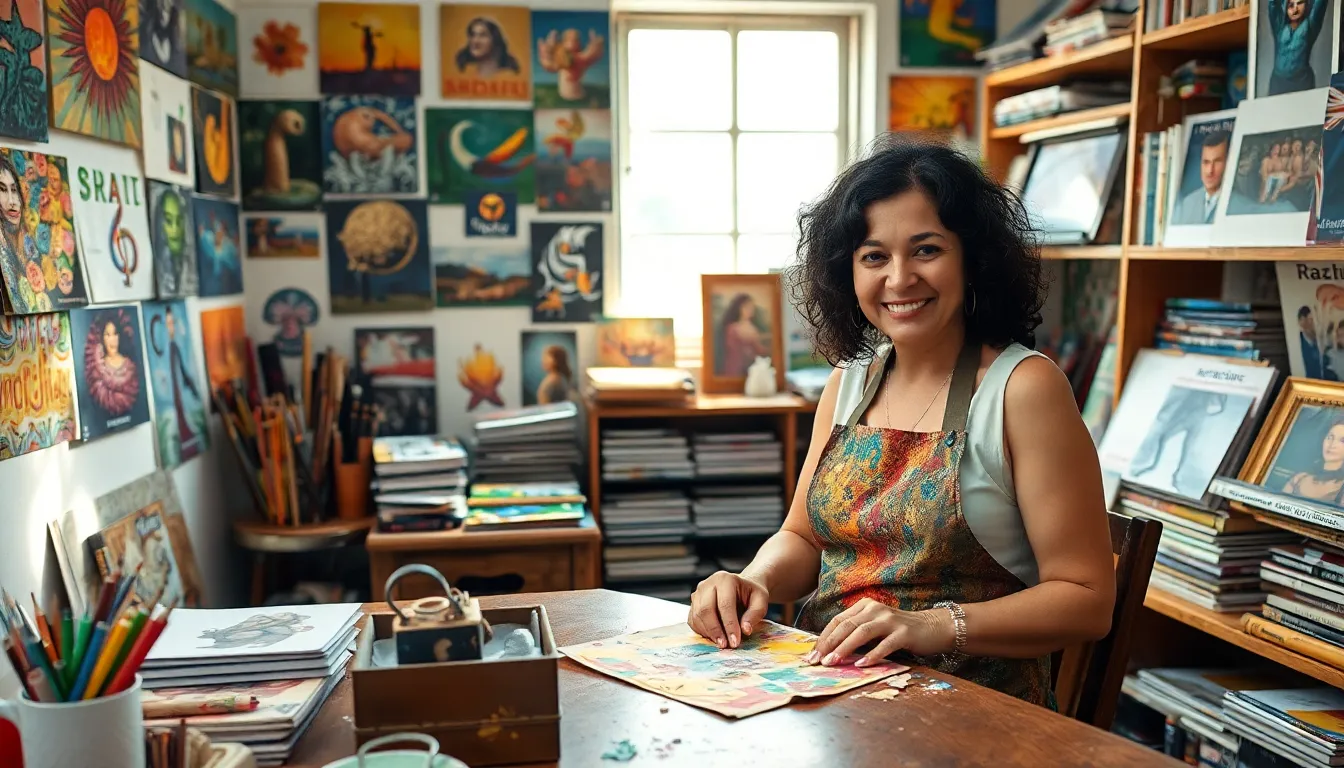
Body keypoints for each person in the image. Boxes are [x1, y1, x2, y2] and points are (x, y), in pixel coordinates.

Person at [687, 138, 1115, 707]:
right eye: (874, 257)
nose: (899, 279)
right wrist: (754, 580)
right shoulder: (848, 384)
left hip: (969, 709)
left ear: (973, 257)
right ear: (849, 273)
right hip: (828, 690)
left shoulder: (1023, 389)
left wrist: (934, 625)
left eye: (926, 250)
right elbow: (802, 537)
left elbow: (1087, 599)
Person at [85, 314, 141, 417]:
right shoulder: (98, 371)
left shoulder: (130, 367)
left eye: (115, 334)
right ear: (102, 338)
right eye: (108, 335)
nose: (112, 339)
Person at [1268, 0, 1328, 96]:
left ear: (1307, 4)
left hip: (1301, 81)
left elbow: (1320, 5)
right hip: (1278, 82)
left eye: (1299, 3)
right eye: (1291, 5)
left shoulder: (1310, 26)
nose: (1295, 9)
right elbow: (1272, 4)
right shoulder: (1279, 27)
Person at [1173, 130, 1229, 225]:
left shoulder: (1243, 205)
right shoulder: (1185, 205)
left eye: (1217, 162)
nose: (1210, 171)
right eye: (1206, 162)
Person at [1283, 418, 1344, 502]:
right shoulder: (1298, 478)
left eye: (1342, 441)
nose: (1332, 444)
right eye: (1330, 437)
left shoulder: (1341, 488)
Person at [536, 27, 605, 101]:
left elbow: (592, 55)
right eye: (569, 40)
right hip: (564, 95)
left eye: (575, 40)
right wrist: (550, 45)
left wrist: (595, 43)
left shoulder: (581, 58)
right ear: (564, 42)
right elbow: (549, 64)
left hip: (579, 94)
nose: (572, 43)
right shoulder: (560, 57)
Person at [717, 293, 770, 377]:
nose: (750, 310)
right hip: (735, 367)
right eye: (746, 307)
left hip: (750, 369)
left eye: (751, 307)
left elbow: (757, 350)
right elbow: (732, 348)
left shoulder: (753, 328)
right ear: (739, 308)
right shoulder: (732, 328)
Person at [456, 17, 521, 78]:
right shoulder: (466, 73)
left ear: (495, 40)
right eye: (473, 35)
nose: (475, 41)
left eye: (483, 35)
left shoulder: (508, 76)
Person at [1300, 306, 1324, 379]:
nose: (1314, 323)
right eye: (1311, 319)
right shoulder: (1301, 340)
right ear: (1303, 321)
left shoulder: (1319, 340)